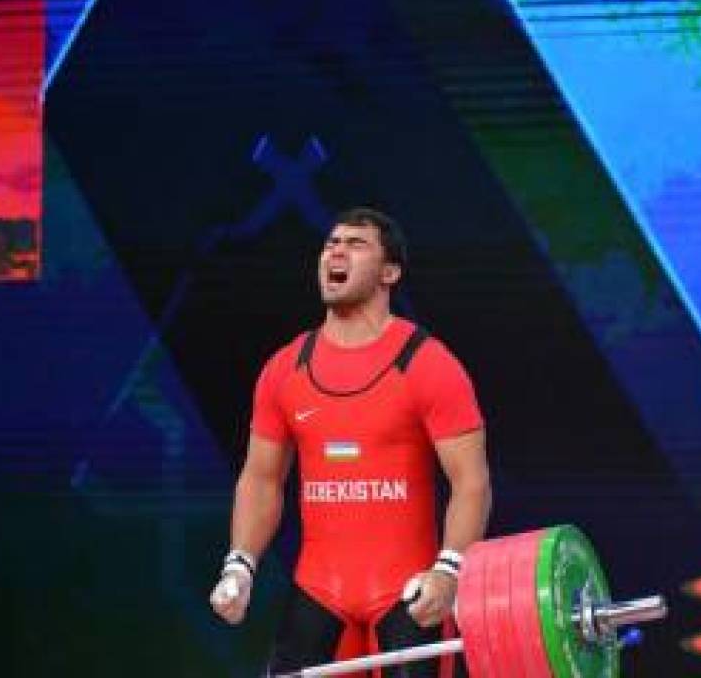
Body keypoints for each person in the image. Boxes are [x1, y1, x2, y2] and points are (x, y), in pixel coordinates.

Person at [210, 207, 492, 676]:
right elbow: (261, 479)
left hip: (409, 598)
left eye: (355, 244)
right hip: (317, 594)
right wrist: (240, 564)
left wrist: (449, 571)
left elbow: (472, 484)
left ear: (389, 272)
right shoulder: (285, 369)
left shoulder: (429, 365)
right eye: (330, 243)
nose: (336, 252)